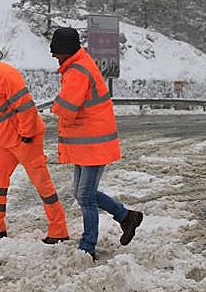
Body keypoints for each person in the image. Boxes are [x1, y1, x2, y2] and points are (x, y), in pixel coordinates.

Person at [49, 27, 143, 260]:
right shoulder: (77, 65)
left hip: (93, 144)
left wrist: (56, 107)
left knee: (85, 196)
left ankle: (87, 246)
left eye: (56, 52)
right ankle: (126, 217)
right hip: (87, 143)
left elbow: (67, 109)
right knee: (81, 193)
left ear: (66, 50)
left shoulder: (77, 71)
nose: (54, 57)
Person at [0, 49, 69, 244]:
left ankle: (59, 229)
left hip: (25, 138)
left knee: (41, 183)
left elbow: (26, 107)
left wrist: (27, 135)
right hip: (5, 140)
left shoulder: (6, 76)